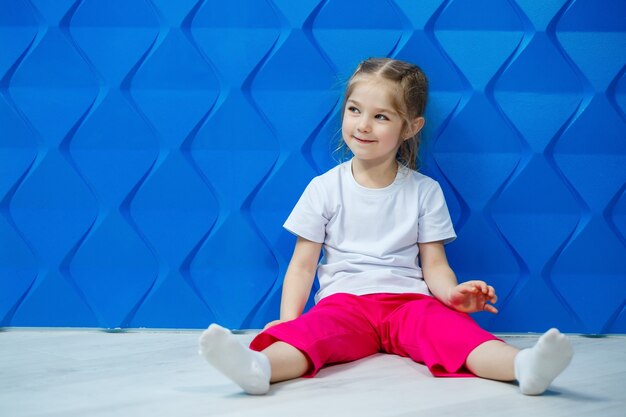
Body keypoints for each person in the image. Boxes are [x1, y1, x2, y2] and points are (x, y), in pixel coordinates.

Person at [198, 57, 573, 396]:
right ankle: (258, 368)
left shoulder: (425, 191)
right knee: (312, 337)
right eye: (354, 110)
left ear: (411, 127)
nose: (363, 125)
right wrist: (289, 324)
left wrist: (452, 294)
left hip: (408, 302)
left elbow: (435, 264)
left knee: (454, 333)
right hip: (344, 304)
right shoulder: (325, 187)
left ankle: (523, 366)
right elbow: (302, 264)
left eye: (381, 116)